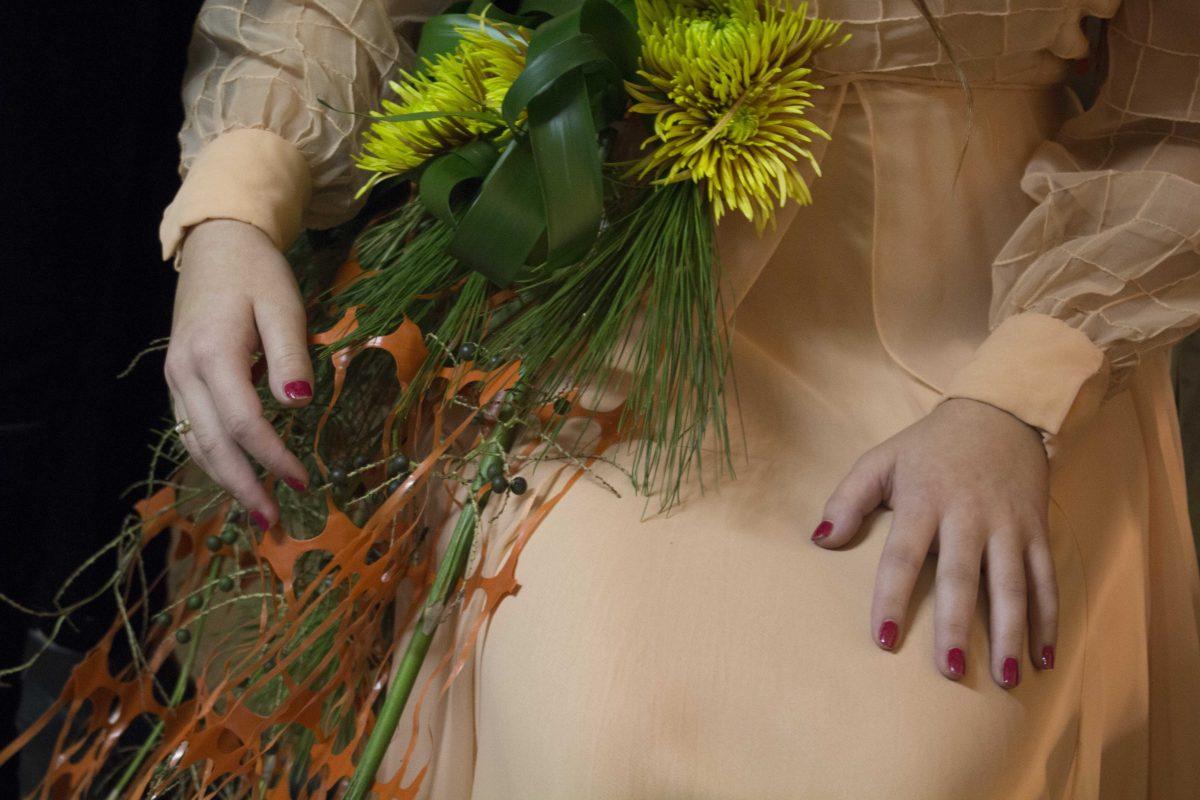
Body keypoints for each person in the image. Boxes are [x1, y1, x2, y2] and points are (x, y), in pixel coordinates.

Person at [161, 0, 1200, 796]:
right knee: (587, 737)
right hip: (620, 298)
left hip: (992, 308)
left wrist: (1022, 385)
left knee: (908, 765)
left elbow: (1178, 113)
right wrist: (237, 198)